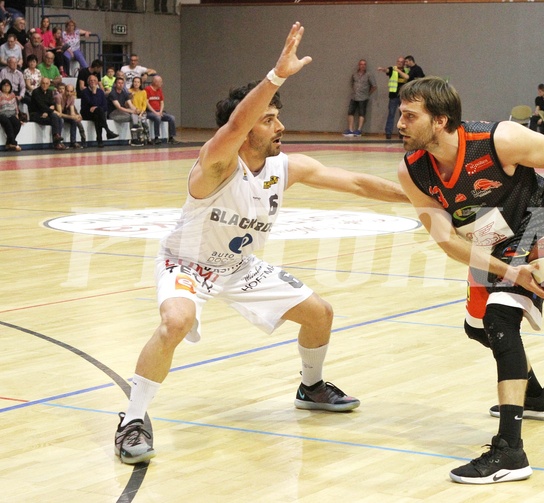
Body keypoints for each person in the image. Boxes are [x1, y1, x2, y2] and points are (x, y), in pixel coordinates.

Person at [113, 22, 408, 465]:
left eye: (277, 116)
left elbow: (358, 183)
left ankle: (311, 386)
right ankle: (132, 419)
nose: (280, 126)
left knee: (320, 314)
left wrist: (427, 198)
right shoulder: (215, 164)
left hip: (239, 267)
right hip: (187, 264)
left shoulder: (284, 167)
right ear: (248, 127)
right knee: (175, 321)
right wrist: (276, 75)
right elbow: (234, 124)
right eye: (269, 119)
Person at [395, 76, 544, 485]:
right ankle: (535, 395)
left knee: (501, 319)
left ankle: (510, 452)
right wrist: (507, 270)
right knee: (477, 328)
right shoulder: (412, 170)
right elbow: (447, 239)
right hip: (489, 237)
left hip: (535, 220)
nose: (400, 122)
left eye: (410, 115)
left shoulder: (498, 140)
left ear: (440, 120)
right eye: (401, 113)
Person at [80, 74, 118, 147]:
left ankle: (100, 139)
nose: (92, 82)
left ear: (97, 82)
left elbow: (105, 106)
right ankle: (107, 133)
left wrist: (96, 107)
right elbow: (91, 103)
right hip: (87, 112)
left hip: (97, 112)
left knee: (98, 114)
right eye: (91, 80)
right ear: (88, 82)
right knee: (99, 113)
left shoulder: (100, 91)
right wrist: (94, 93)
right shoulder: (85, 92)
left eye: (94, 80)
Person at [29, 76, 65, 150]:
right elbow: (41, 106)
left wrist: (47, 111)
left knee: (59, 119)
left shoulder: (49, 92)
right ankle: (57, 142)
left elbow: (52, 104)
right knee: (55, 117)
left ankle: (57, 139)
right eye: (43, 83)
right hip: (36, 114)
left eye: (46, 83)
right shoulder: (36, 92)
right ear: (40, 84)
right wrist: (49, 110)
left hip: (46, 114)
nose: (45, 85)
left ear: (49, 85)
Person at [377, 56, 408, 139]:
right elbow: (387, 70)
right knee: (391, 114)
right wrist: (382, 69)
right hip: (393, 95)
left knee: (403, 115)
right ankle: (388, 132)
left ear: (404, 63)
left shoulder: (406, 70)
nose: (399, 63)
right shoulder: (392, 69)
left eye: (401, 62)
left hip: (403, 97)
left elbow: (407, 77)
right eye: (398, 61)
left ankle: (402, 132)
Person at [343, 58, 376, 137]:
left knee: (362, 113)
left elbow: (374, 86)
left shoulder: (369, 75)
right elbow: (351, 83)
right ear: (359, 65)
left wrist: (368, 94)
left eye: (364, 64)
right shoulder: (354, 74)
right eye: (361, 64)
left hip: (363, 97)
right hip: (354, 96)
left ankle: (359, 129)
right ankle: (350, 129)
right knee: (350, 112)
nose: (363, 66)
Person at [108, 75, 143, 146]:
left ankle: (135, 138)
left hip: (122, 112)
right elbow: (119, 107)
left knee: (134, 116)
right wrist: (131, 111)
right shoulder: (113, 93)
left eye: (122, 83)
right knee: (132, 117)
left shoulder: (124, 93)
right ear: (115, 84)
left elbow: (130, 105)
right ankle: (135, 138)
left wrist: (136, 110)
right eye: (119, 83)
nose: (120, 85)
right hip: (113, 113)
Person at [145, 75, 179, 144]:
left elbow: (162, 102)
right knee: (157, 118)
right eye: (160, 82)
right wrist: (155, 112)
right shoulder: (147, 89)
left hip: (159, 111)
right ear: (155, 82)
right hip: (150, 112)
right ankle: (156, 137)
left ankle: (171, 137)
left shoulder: (159, 90)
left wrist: (160, 111)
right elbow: (147, 103)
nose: (162, 83)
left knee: (171, 118)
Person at [55, 82, 86, 149]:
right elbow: (59, 113)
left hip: (64, 114)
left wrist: (77, 116)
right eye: (67, 91)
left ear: (73, 92)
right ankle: (59, 143)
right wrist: (72, 117)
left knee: (74, 121)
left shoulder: (71, 98)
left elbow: (72, 112)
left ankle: (73, 142)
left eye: (71, 91)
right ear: (65, 90)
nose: (69, 93)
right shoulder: (58, 97)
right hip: (56, 115)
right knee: (61, 120)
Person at [0, 77, 21, 151]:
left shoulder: (12, 94)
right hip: (2, 114)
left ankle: (9, 143)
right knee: (8, 123)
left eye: (8, 86)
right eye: (4, 86)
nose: (6, 87)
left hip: (11, 114)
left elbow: (15, 106)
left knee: (17, 123)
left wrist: (17, 115)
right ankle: (14, 143)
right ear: (1, 86)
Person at [129, 75, 150, 145]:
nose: (136, 83)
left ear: (140, 84)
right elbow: (129, 103)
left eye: (138, 82)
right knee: (138, 123)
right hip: (133, 111)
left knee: (144, 122)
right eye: (135, 82)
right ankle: (139, 138)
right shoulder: (129, 91)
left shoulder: (143, 92)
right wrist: (131, 97)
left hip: (142, 111)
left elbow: (144, 104)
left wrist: (141, 113)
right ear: (132, 83)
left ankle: (148, 137)